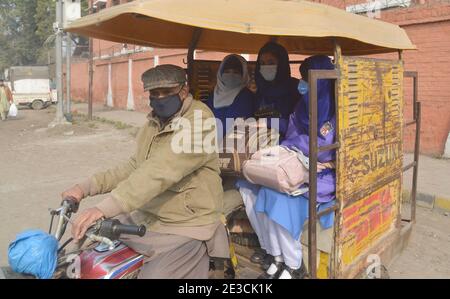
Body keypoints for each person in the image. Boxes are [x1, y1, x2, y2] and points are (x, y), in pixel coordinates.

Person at [61, 64, 229, 279]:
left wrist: (104, 207)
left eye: (167, 92)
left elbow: (161, 169)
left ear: (184, 91)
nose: (160, 98)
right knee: (84, 248)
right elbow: (135, 166)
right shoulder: (153, 122)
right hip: (147, 215)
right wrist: (84, 188)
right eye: (154, 93)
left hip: (185, 223)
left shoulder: (200, 122)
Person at [241, 55, 337, 279]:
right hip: (295, 164)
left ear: (321, 80)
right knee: (254, 189)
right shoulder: (306, 103)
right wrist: (269, 123)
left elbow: (323, 148)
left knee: (277, 200)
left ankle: (294, 265)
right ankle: (278, 256)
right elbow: (292, 125)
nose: (301, 83)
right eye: (303, 77)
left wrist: (293, 146)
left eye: (306, 78)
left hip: (321, 174)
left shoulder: (333, 108)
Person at [254, 42, 300, 139]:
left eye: (271, 63)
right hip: (260, 143)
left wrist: (269, 122)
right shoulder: (261, 91)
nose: (266, 67)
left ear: (281, 64)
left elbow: (299, 126)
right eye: (262, 63)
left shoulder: (295, 89)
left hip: (288, 146)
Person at [206, 54, 256, 139]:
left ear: (243, 75)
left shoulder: (247, 97)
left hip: (236, 147)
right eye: (227, 72)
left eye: (236, 72)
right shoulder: (212, 96)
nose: (231, 75)